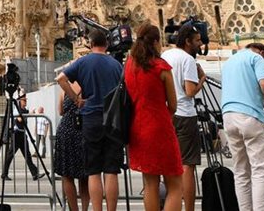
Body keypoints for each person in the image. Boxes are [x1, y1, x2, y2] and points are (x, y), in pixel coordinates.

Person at [57, 29, 124, 211]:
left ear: (90, 43)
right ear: (107, 45)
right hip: (112, 118)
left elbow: (60, 78)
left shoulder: (83, 62)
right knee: (111, 171)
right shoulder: (116, 64)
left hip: (91, 118)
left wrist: (76, 99)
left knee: (93, 170)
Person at [124, 24, 181, 211]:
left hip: (137, 128)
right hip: (159, 128)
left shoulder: (130, 65)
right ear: (156, 42)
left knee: (150, 185)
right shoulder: (161, 67)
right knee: (174, 186)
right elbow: (173, 105)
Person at [220, 42, 264, 211]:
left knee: (241, 171)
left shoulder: (229, 62)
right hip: (250, 115)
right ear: (261, 52)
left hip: (228, 116)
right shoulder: (256, 57)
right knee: (260, 170)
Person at [160, 24, 205, 211]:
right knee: (187, 166)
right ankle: (189, 209)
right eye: (197, 41)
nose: (200, 44)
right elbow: (189, 91)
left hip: (167, 113)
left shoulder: (165, 56)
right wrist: (201, 78)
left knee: (170, 165)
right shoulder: (187, 59)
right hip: (185, 114)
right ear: (187, 41)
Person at [53, 79, 89, 211]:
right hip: (83, 132)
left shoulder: (65, 89)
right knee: (85, 177)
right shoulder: (87, 86)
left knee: (67, 175)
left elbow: (60, 111)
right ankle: (84, 209)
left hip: (66, 131)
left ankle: (74, 210)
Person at [0, 93, 42, 181]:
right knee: (10, 155)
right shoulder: (17, 109)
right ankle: (4, 174)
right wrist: (29, 114)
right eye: (24, 100)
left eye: (26, 100)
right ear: (19, 101)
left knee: (27, 155)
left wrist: (29, 113)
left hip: (22, 134)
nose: (26, 101)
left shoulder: (24, 110)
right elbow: (19, 119)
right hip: (16, 134)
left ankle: (35, 174)